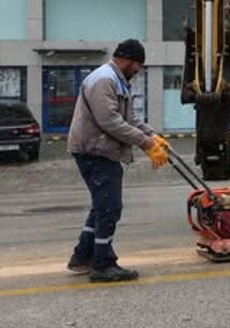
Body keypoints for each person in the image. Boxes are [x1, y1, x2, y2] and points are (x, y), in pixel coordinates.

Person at [66, 39, 170, 282]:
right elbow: (110, 121)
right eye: (138, 65)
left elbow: (130, 118)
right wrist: (145, 143)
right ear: (127, 60)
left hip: (99, 149)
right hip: (94, 150)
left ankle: (83, 256)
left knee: (101, 205)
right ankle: (103, 264)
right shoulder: (104, 80)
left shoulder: (117, 80)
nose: (138, 70)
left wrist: (153, 135)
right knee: (109, 207)